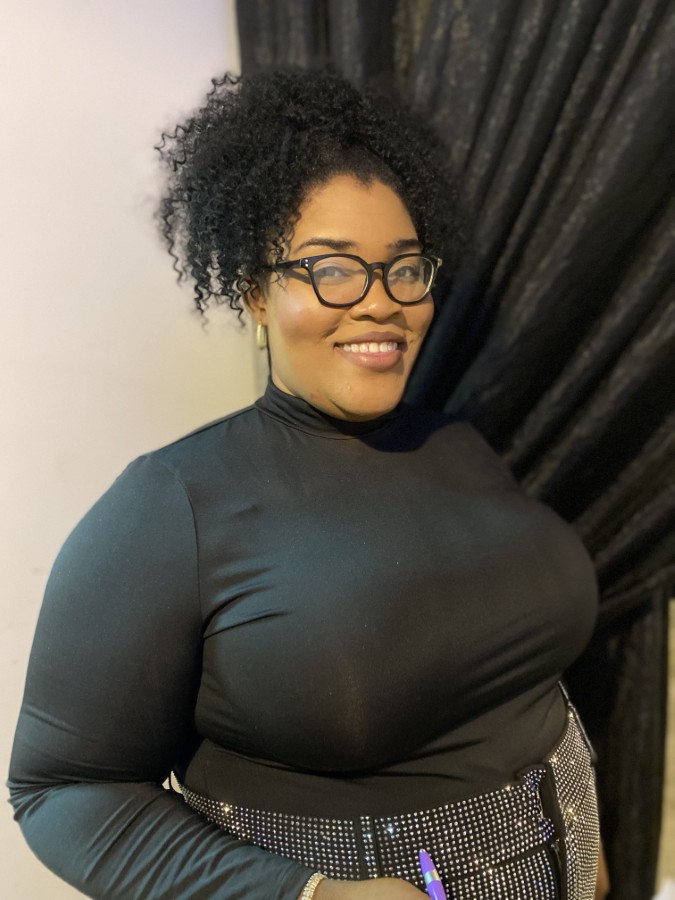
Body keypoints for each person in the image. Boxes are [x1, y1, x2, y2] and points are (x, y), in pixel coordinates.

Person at [8, 69, 608, 899]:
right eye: (332, 269)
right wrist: (306, 895)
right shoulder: (171, 506)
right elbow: (61, 791)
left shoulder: (457, 443)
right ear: (254, 292)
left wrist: (582, 838)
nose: (380, 303)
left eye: (404, 269)